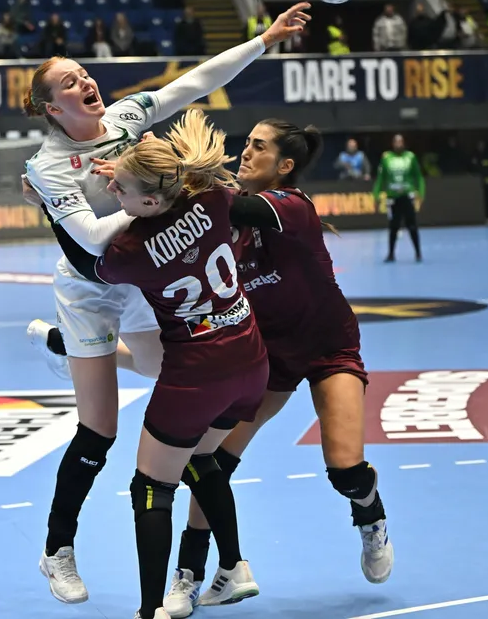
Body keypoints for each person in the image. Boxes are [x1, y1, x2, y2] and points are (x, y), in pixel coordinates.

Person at [20, 2, 311, 604]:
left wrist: (264, 39)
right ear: (52, 108)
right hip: (90, 289)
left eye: (83, 72)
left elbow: (195, 81)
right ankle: (57, 551)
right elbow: (92, 240)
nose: (84, 81)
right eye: (69, 82)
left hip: (139, 281)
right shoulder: (48, 168)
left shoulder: (126, 117)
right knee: (99, 430)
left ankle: (64, 349)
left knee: (163, 371)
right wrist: (159, 193)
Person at [156, 119, 395, 617]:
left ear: (284, 165)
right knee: (209, 461)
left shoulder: (291, 206)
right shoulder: (225, 225)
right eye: (246, 144)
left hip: (328, 348)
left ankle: (369, 514)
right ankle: (192, 572)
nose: (245, 152)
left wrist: (170, 178)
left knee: (346, 471)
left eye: (258, 147)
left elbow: (233, 205)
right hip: (267, 355)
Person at [49, 110, 270, 619]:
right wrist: (132, 171)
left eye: (121, 191)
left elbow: (85, 260)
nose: (113, 197)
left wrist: (51, 206)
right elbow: (182, 192)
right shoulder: (213, 197)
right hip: (250, 363)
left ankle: (150, 612)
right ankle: (233, 564)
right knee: (200, 458)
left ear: (150, 202)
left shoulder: (132, 249)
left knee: (151, 487)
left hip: (197, 376)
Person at [373, 134, 424, 263]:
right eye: (396, 142)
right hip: (393, 197)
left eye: (400, 141)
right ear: (392, 143)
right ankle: (391, 254)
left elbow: (418, 176)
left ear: (404, 143)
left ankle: (418, 253)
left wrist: (421, 193)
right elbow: (381, 178)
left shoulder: (410, 157)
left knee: (412, 225)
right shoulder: (387, 158)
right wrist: (376, 195)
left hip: (407, 196)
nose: (398, 144)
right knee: (393, 226)